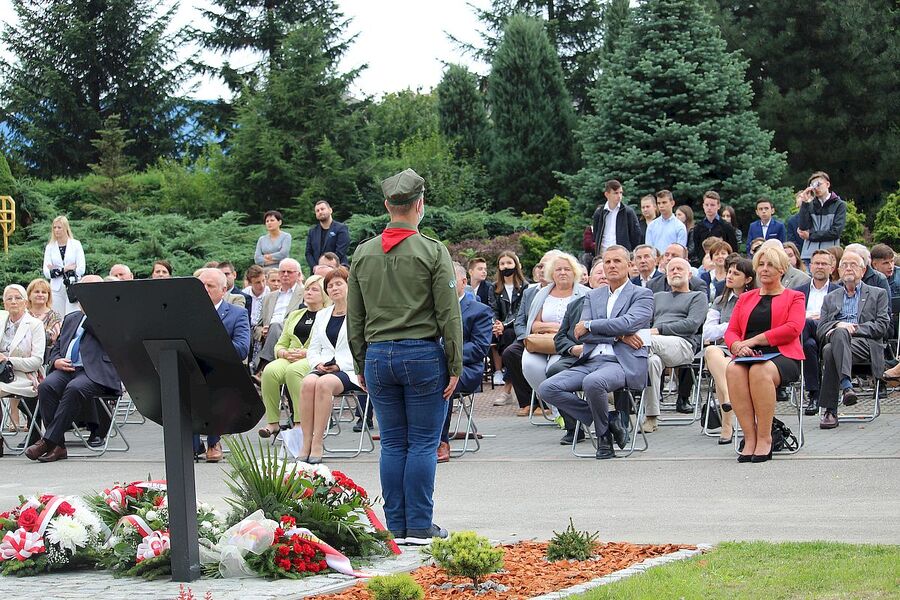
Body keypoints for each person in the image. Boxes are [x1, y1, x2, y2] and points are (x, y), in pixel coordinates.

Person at [346, 168, 462, 545]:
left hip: (378, 356)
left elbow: (355, 316)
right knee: (424, 443)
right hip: (422, 355)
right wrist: (455, 364)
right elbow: (449, 314)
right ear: (420, 204)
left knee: (393, 443)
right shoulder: (432, 250)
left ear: (387, 205)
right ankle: (420, 525)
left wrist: (360, 362)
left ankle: (395, 525)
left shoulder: (363, 253)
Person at [540, 247, 654, 458]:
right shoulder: (593, 296)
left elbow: (628, 323)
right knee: (547, 388)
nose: (611, 266)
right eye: (607, 262)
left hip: (622, 362)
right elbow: (580, 334)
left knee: (594, 382)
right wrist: (619, 336)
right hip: (591, 360)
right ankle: (609, 420)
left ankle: (604, 438)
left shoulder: (642, 294)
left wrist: (591, 325)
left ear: (629, 265)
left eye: (617, 261)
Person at [25, 275, 121, 463]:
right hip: (67, 369)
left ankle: (47, 442)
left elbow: (109, 340)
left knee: (75, 388)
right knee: (46, 387)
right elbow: (57, 346)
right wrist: (56, 361)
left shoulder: (112, 316)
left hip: (94, 373)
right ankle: (59, 446)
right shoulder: (71, 318)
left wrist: (93, 312)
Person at [724, 245, 805, 463]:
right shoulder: (745, 298)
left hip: (782, 355)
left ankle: (765, 437)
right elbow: (731, 331)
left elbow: (793, 328)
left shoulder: (795, 297)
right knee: (733, 370)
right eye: (761, 264)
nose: (764, 269)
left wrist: (753, 340)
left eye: (771, 265)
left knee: (760, 370)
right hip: (748, 354)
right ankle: (749, 438)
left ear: (782, 269)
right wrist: (736, 346)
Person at [817, 250, 890, 429]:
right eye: (844, 265)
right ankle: (847, 387)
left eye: (853, 265)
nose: (848, 268)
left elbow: (882, 326)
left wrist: (854, 328)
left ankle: (830, 410)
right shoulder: (830, 298)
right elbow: (821, 329)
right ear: (839, 271)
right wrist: (838, 325)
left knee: (835, 343)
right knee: (830, 348)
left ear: (863, 271)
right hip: (838, 344)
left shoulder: (878, 293)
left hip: (866, 344)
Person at [297, 268, 360, 463]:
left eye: (339, 284)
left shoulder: (359, 314)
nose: (334, 288)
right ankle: (306, 442)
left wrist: (339, 365)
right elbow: (313, 348)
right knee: (308, 383)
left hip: (349, 369)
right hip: (324, 365)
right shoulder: (322, 315)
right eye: (330, 286)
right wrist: (318, 363)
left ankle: (317, 442)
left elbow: (363, 348)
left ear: (349, 286)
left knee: (324, 384)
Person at [258, 275, 329, 438]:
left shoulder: (327, 315)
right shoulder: (295, 315)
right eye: (307, 289)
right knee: (269, 371)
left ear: (324, 295)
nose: (308, 292)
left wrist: (306, 353)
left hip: (314, 359)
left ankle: (300, 422)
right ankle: (273, 422)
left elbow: (329, 345)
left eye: (314, 289)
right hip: (289, 357)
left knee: (293, 371)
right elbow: (280, 344)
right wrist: (283, 353)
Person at [437, 262, 493, 463]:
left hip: (465, 369)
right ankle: (412, 439)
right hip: (433, 365)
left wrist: (447, 355)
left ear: (463, 281)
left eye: (449, 279)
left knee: (439, 381)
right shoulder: (431, 308)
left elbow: (479, 348)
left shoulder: (479, 311)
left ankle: (440, 441)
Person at [193, 269, 251, 461]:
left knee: (215, 381)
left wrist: (212, 347)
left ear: (223, 290)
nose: (204, 289)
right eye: (201, 285)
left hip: (223, 369)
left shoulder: (237, 313)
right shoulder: (187, 313)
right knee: (182, 380)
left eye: (210, 286)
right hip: (192, 367)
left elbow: (242, 349)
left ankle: (214, 441)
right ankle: (192, 444)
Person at [643, 258, 707, 431]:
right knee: (651, 362)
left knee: (643, 342)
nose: (675, 272)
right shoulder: (657, 297)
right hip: (654, 346)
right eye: (671, 270)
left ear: (690, 275)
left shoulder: (698, 296)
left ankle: (622, 391)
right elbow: (645, 322)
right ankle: (651, 417)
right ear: (666, 275)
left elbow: (692, 324)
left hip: (683, 344)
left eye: (680, 268)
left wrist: (659, 330)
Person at [521, 253, 590, 412]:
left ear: (575, 272)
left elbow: (580, 327)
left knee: (553, 368)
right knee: (529, 365)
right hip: (541, 343)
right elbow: (534, 325)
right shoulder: (542, 294)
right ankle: (555, 408)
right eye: (558, 269)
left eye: (567, 269)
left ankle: (564, 411)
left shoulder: (586, 293)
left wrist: (558, 330)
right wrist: (557, 327)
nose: (563, 272)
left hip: (568, 344)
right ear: (552, 273)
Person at [702, 257, 755, 443]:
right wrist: (731, 327)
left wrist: (727, 327)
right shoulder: (720, 301)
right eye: (729, 272)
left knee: (723, 368)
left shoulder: (755, 299)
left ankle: (727, 425)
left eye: (736, 273)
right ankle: (729, 398)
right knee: (711, 351)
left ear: (748, 279)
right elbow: (707, 332)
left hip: (747, 349)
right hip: (724, 349)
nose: (730, 276)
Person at [502, 250, 561, 415]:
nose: (541, 270)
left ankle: (547, 404)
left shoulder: (563, 291)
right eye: (540, 266)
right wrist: (525, 338)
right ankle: (528, 403)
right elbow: (520, 320)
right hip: (531, 338)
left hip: (554, 340)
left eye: (546, 266)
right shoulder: (529, 292)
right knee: (511, 353)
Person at [794, 250, 839, 416]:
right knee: (808, 345)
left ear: (832, 268)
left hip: (828, 334)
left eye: (824, 264)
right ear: (810, 266)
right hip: (807, 336)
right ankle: (814, 394)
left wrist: (820, 317)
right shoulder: (798, 291)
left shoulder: (838, 291)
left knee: (807, 324)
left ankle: (791, 355)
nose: (820, 267)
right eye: (817, 263)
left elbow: (840, 316)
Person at [0, 285, 46, 440]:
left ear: (26, 302)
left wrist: (7, 360)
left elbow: (37, 361)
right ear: (4, 304)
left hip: (25, 376)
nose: (13, 301)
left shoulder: (34, 324)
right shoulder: (1, 321)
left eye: (18, 298)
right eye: (9, 298)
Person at [253, 258, 305, 372]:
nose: (285, 274)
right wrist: (262, 331)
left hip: (290, 336)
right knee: (274, 327)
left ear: (298, 275)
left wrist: (275, 327)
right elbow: (257, 327)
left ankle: (263, 366)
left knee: (276, 325)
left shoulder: (304, 294)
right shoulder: (268, 297)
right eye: (282, 272)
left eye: (289, 272)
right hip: (268, 336)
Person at [491, 251, 527, 404]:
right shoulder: (494, 287)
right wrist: (496, 324)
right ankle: (505, 379)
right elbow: (492, 309)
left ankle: (507, 388)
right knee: (501, 336)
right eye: (502, 264)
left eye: (509, 263)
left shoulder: (525, 286)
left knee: (509, 336)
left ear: (516, 265)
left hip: (517, 327)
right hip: (499, 328)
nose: (506, 266)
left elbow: (520, 312)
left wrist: (504, 325)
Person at [797, 171, 846, 262]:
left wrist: (811, 236)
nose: (816, 188)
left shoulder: (839, 205)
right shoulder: (810, 205)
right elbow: (803, 228)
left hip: (830, 255)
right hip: (809, 255)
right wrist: (805, 203)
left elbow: (835, 232)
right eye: (813, 186)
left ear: (827, 184)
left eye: (819, 184)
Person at [42, 215, 85, 317]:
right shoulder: (50, 247)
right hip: (56, 288)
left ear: (66, 228)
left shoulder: (76, 244)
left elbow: (81, 269)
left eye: (59, 227)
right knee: (57, 316)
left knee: (72, 315)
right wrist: (65, 269)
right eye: (54, 227)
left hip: (72, 285)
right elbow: (47, 272)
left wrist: (56, 270)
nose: (56, 230)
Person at [591, 180, 643, 254]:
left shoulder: (628, 212)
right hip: (603, 253)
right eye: (615, 193)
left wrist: (630, 253)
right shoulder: (599, 213)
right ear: (607, 194)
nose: (619, 196)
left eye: (620, 193)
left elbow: (636, 235)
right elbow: (596, 235)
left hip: (622, 253)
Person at [693, 191, 739, 266]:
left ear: (718, 206)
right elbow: (697, 250)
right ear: (703, 206)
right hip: (704, 265)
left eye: (712, 205)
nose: (709, 208)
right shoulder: (698, 227)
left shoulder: (726, 227)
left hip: (723, 264)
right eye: (707, 205)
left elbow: (733, 249)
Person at [305, 200, 350, 271]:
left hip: (337, 269)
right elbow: (308, 253)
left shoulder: (341, 228)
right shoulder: (312, 231)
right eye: (317, 211)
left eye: (322, 209)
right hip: (317, 271)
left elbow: (341, 251)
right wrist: (315, 267)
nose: (320, 212)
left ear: (330, 210)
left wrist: (327, 267)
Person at [843, 244, 893, 308]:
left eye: (852, 263)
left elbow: (886, 309)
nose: (848, 268)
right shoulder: (843, 279)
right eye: (844, 263)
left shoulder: (879, 279)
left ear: (862, 261)